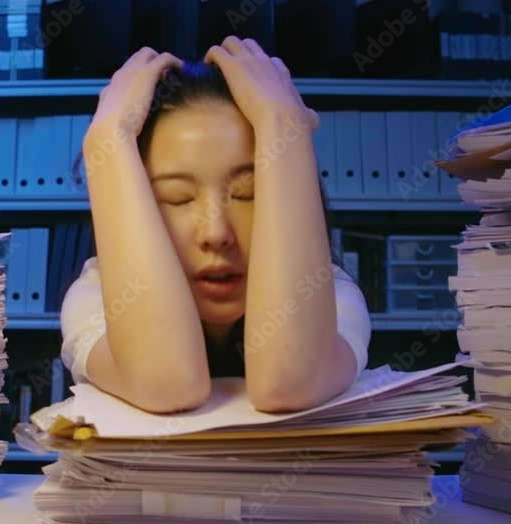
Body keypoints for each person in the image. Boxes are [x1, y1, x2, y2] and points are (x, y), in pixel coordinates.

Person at [59, 37, 371, 414]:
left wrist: (284, 124)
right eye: (177, 198)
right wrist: (107, 139)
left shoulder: (329, 296)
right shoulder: (96, 298)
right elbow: (167, 382)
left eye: (247, 192)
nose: (215, 234)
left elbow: (289, 382)